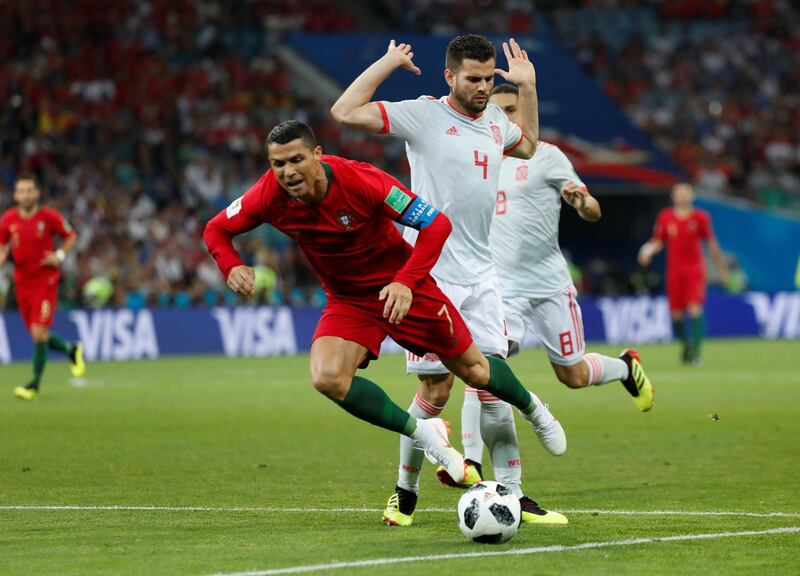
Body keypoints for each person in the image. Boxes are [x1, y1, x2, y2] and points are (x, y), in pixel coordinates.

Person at [203, 121, 563, 510]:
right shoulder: (268, 195)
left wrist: (407, 282)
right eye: (276, 164)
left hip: (406, 290)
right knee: (327, 377)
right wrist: (230, 265)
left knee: (476, 370)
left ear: (318, 155)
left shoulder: (362, 181)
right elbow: (216, 230)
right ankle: (425, 434)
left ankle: (534, 409)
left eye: (295, 160)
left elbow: (436, 224)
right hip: (349, 301)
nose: (287, 172)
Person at [331, 35, 566, 526]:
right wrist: (388, 61)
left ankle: (514, 495)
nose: (483, 88)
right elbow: (345, 111)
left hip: (482, 276)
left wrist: (528, 90)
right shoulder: (424, 115)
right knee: (435, 392)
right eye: (473, 79)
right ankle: (405, 490)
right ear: (449, 77)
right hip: (428, 275)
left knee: (490, 388)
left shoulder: (496, 121)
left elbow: (527, 147)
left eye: (488, 78)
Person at [438, 85, 654, 487]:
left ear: (524, 114)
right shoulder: (476, 155)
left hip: (549, 285)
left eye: (509, 110)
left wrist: (580, 203)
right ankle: (470, 464)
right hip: (501, 288)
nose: (500, 117)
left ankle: (625, 367)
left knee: (571, 375)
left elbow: (593, 209)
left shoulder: (546, 156)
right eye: (495, 110)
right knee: (481, 365)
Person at [0, 174, 86, 400]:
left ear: (37, 193)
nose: (25, 195)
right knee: (39, 335)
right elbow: (2, 245)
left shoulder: (48, 216)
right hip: (21, 283)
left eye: (29, 190)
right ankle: (71, 350)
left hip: (45, 282)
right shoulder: (8, 219)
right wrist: (2, 256)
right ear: (16, 195)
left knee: (39, 333)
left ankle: (33, 386)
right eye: (21, 191)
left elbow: (71, 235)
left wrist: (59, 254)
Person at [638, 182, 729, 365]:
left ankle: (696, 353)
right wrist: (646, 250)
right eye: (679, 192)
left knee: (695, 308)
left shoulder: (701, 217)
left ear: (692, 195)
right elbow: (658, 240)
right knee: (676, 315)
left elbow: (711, 244)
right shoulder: (665, 217)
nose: (682, 195)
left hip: (695, 270)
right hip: (674, 272)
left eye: (686, 192)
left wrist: (722, 269)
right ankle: (686, 343)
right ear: (673, 196)